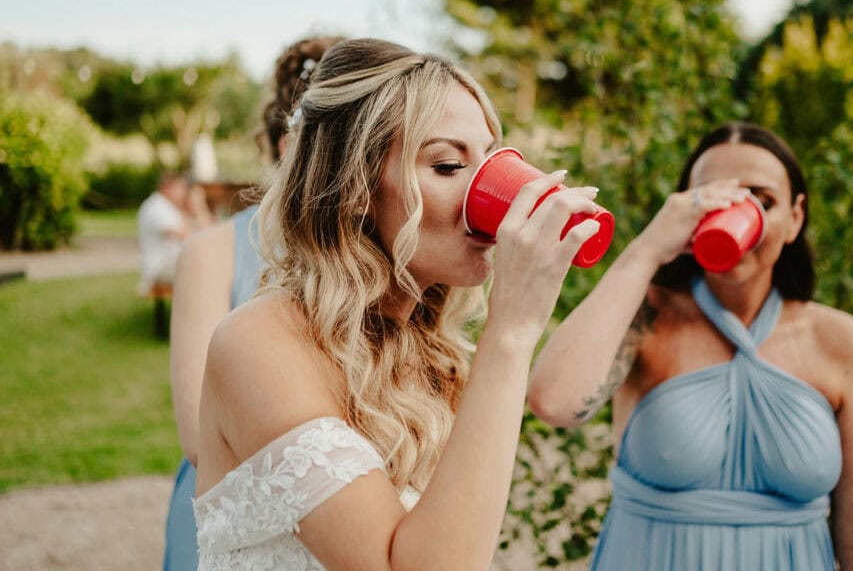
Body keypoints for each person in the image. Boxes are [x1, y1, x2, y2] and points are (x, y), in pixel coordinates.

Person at [191, 37, 602, 569]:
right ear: (357, 187)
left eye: (496, 160)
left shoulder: (431, 352)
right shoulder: (258, 344)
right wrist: (511, 333)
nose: (487, 188)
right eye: (450, 165)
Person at [527, 122, 853, 571]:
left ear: (795, 217)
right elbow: (554, 400)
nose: (737, 215)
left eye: (762, 200)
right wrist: (646, 252)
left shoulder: (840, 343)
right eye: (714, 198)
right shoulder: (647, 321)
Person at [162, 36, 341, 571]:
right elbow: (199, 434)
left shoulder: (380, 256)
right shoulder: (211, 252)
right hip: (239, 516)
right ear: (292, 148)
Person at [137, 172, 211, 296]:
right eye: (180, 188)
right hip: (159, 269)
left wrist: (198, 207)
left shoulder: (168, 207)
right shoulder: (156, 207)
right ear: (167, 187)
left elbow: (206, 234)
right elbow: (190, 237)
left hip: (172, 264)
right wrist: (197, 206)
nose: (184, 192)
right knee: (203, 272)